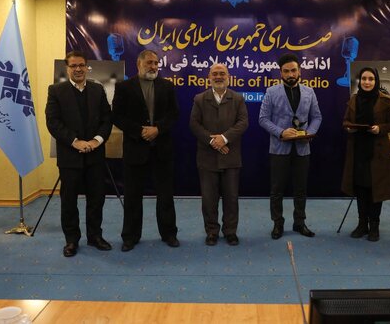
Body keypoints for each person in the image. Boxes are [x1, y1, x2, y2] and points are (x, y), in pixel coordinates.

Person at [45, 50, 113, 257]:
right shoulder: (56, 90)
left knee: (96, 199)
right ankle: (71, 240)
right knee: (69, 201)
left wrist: (96, 141)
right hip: (70, 156)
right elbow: (53, 122)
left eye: (81, 65)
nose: (78, 69)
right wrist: (76, 142)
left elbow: (107, 120)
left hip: (95, 154)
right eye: (73, 66)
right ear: (67, 68)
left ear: (87, 67)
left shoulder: (97, 89)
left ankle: (95, 236)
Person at [112, 49, 180, 251]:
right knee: (132, 196)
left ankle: (169, 234)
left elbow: (174, 114)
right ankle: (130, 237)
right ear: (139, 64)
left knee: (165, 195)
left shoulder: (167, 86)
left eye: (156, 63)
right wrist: (139, 131)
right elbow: (117, 116)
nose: (153, 66)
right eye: (149, 62)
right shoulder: (124, 87)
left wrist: (158, 129)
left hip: (162, 149)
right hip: (135, 149)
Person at [259, 53, 322, 240]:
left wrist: (309, 133)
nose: (290, 74)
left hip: (303, 148)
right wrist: (281, 132)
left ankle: (299, 223)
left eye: (293, 70)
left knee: (301, 189)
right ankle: (277, 224)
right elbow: (263, 119)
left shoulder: (309, 92)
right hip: (279, 148)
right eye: (286, 71)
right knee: (276, 190)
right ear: (281, 73)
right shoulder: (271, 92)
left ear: (299, 71)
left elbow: (317, 117)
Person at [189, 63, 248, 246]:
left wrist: (224, 138)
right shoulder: (200, 99)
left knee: (231, 198)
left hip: (231, 156)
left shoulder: (237, 98)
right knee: (209, 199)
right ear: (209, 77)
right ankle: (212, 232)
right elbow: (194, 125)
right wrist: (214, 141)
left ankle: (230, 232)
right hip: (207, 157)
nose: (218, 76)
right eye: (215, 73)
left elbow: (243, 122)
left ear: (228, 76)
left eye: (222, 73)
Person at [342, 67, 390, 242]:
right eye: (364, 78)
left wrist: (380, 128)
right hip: (358, 150)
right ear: (360, 81)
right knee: (360, 188)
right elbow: (345, 121)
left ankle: (374, 226)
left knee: (375, 189)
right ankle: (362, 224)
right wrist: (349, 128)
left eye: (371, 79)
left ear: (376, 81)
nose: (367, 82)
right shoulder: (354, 99)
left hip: (377, 151)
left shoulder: (386, 100)